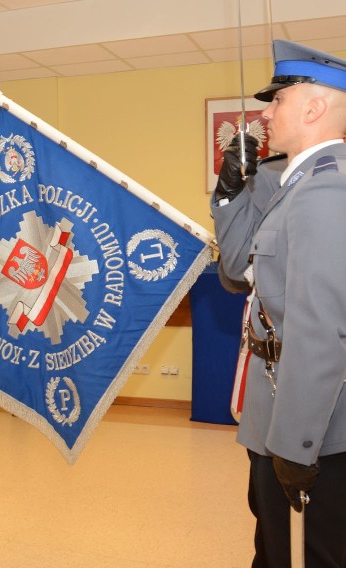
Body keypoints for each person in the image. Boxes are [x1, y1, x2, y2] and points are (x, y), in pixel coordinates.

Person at [211, 40, 346, 566]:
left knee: (312, 552)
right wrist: (229, 194)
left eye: (279, 101)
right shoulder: (293, 184)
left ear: (313, 108)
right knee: (272, 544)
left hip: (310, 422)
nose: (267, 113)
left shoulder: (325, 194)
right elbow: (236, 271)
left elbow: (320, 332)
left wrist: (294, 443)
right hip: (274, 402)